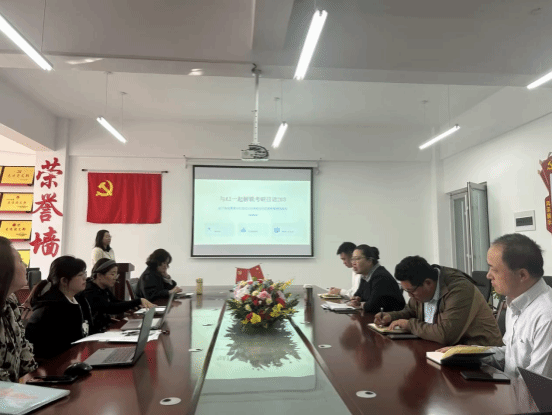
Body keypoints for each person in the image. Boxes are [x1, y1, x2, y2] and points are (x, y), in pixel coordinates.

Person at [439, 234, 552, 378]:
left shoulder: (547, 316)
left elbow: (538, 384)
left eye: (494, 269)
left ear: (522, 275)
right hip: (510, 387)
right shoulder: (515, 302)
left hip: (523, 391)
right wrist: (469, 353)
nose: (488, 275)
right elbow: (512, 355)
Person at [374, 255, 502, 346]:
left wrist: (410, 325)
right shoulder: (421, 288)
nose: (410, 296)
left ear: (428, 283)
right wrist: (391, 316)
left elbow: (445, 335)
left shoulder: (459, 289)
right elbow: (411, 311)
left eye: (411, 291)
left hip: (482, 356)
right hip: (443, 350)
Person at [25, 256, 94, 359]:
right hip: (53, 364)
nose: (85, 278)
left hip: (75, 358)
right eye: (80, 275)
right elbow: (57, 350)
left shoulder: (78, 300)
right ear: (64, 281)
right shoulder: (51, 309)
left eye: (85, 273)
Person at [77, 258, 155, 332]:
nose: (115, 278)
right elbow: (110, 308)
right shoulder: (89, 291)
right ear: (99, 275)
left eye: (116, 274)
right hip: (96, 333)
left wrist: (135, 305)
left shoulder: (104, 288)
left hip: (105, 328)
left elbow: (115, 302)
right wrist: (138, 301)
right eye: (112, 274)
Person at [0, 237, 37, 382]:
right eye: (20, 261)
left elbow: (22, 344)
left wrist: (33, 376)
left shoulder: (11, 300)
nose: (25, 265)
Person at [347, 245, 405, 312]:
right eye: (352, 259)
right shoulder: (365, 275)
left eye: (357, 259)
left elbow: (372, 306)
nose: (353, 263)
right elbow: (358, 295)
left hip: (390, 316)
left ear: (369, 261)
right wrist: (356, 299)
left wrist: (360, 304)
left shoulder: (381, 277)